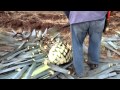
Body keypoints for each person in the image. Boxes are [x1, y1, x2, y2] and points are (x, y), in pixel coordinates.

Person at [65, 11, 108, 78]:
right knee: (95, 42)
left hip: (78, 17)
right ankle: (93, 63)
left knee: (77, 44)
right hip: (98, 16)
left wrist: (70, 16)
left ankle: (79, 72)